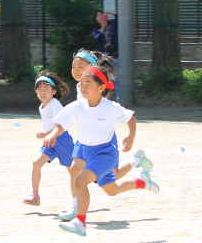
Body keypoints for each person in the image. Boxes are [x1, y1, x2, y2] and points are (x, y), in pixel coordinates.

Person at [44, 65, 159, 236]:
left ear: (101, 88)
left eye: (88, 84)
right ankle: (142, 181)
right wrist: (53, 134)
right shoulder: (77, 106)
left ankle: (80, 222)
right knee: (112, 190)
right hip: (83, 149)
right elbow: (61, 124)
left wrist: (131, 137)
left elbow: (130, 117)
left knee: (80, 180)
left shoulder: (110, 107)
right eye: (81, 84)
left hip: (104, 154)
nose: (83, 87)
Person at [58, 49, 153, 222]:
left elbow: (119, 115)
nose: (77, 70)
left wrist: (130, 136)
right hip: (85, 143)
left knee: (111, 180)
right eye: (74, 67)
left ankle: (136, 163)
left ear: (92, 69)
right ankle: (76, 206)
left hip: (103, 143)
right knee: (82, 173)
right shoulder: (81, 87)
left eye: (81, 66)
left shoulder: (96, 89)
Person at [23, 71, 76, 210]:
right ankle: (35, 195)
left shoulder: (55, 104)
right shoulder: (42, 106)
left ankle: (82, 195)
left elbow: (61, 127)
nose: (42, 92)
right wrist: (46, 136)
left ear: (54, 91)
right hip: (50, 143)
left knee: (75, 172)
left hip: (63, 141)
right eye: (39, 89)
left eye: (46, 89)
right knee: (36, 163)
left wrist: (44, 134)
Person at [92, 10, 119, 100]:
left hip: (115, 55)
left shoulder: (112, 25)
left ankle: (119, 97)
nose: (100, 17)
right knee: (104, 79)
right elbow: (97, 38)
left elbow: (120, 17)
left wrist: (110, 13)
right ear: (95, 19)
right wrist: (102, 28)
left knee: (117, 77)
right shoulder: (96, 30)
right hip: (104, 58)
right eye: (98, 16)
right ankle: (105, 98)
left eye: (102, 15)